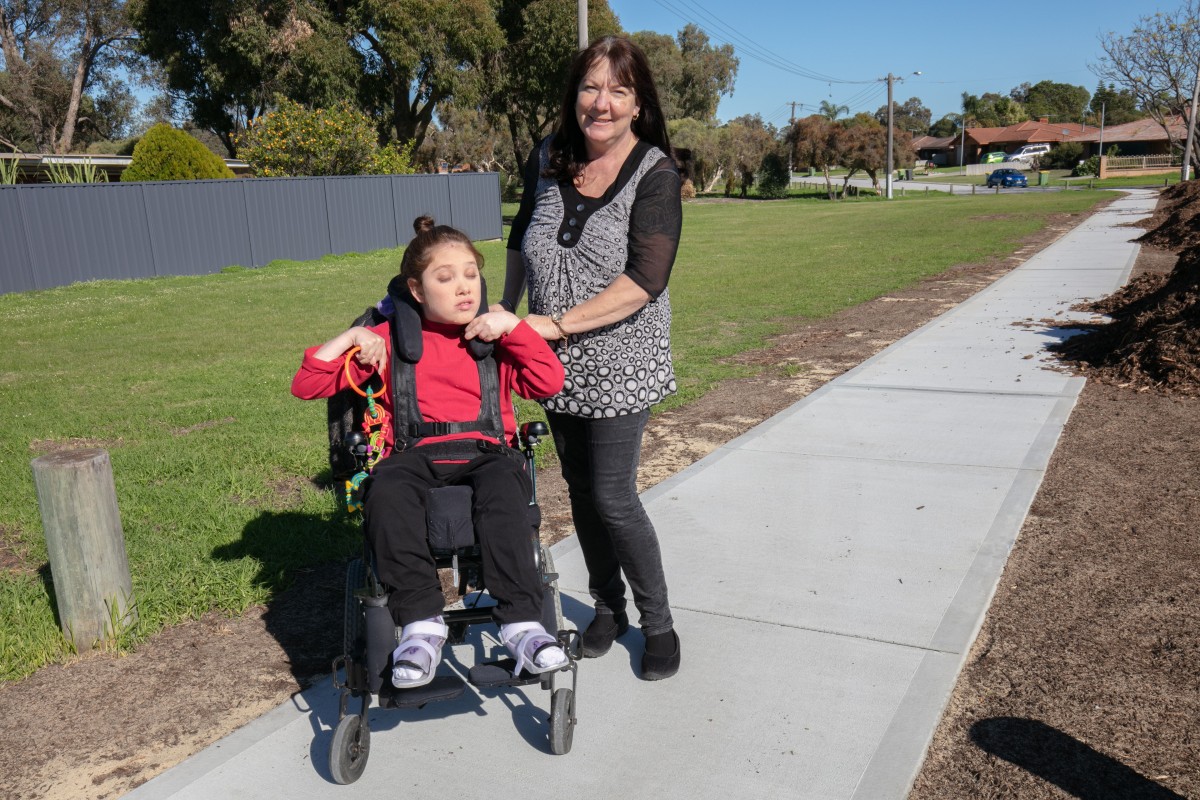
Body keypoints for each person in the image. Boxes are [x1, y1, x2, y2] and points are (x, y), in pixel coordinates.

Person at [478, 35, 683, 681]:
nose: (602, 102)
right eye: (591, 87)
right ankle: (607, 608)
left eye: (619, 90)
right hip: (549, 361)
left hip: (621, 356)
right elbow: (520, 238)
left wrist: (552, 323)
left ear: (638, 102)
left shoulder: (655, 174)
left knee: (615, 496)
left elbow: (645, 279)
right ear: (574, 96)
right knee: (581, 493)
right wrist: (504, 317)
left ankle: (660, 625)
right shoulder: (549, 156)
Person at [292, 216, 568, 688]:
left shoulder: (495, 337)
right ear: (416, 291)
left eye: (471, 274)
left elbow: (549, 382)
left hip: (485, 450)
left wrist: (515, 327)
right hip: (413, 453)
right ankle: (422, 624)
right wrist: (354, 336)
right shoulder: (390, 338)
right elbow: (308, 384)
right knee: (387, 491)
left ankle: (521, 624)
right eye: (446, 278)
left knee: (505, 485)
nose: (464, 287)